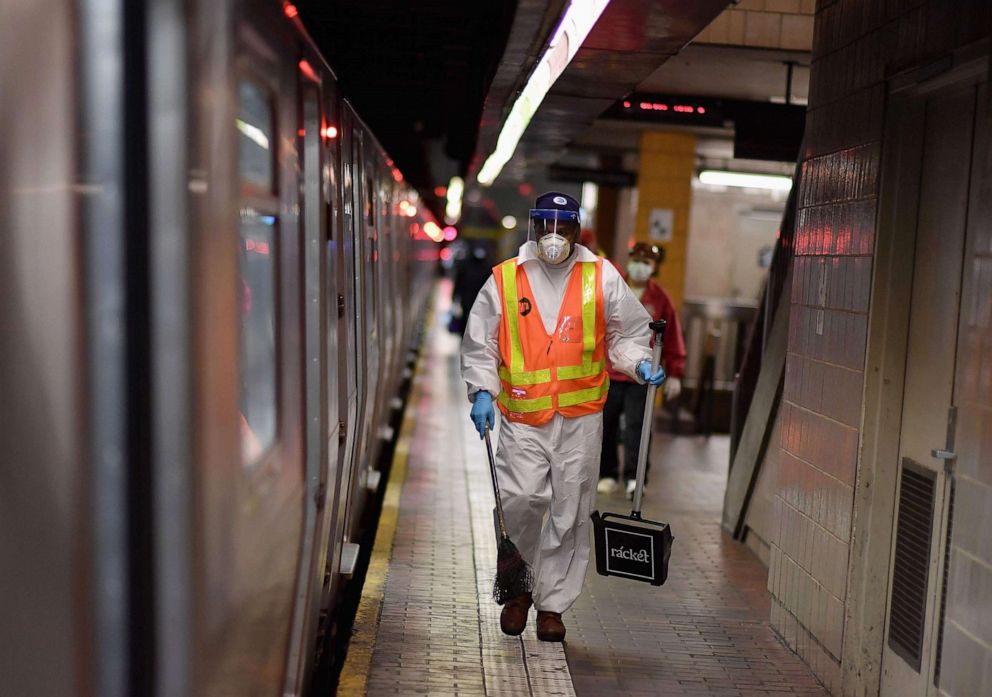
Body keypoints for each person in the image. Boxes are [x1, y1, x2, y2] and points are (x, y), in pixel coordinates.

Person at [461, 192, 665, 642]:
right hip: (522, 417)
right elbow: (482, 343)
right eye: (545, 226)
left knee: (570, 512)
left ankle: (551, 606)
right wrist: (481, 391)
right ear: (534, 228)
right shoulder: (505, 280)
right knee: (522, 502)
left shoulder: (603, 277)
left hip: (580, 418)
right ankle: (518, 590)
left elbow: (627, 333)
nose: (554, 236)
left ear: (577, 229)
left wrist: (639, 362)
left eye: (564, 226)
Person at [598, 242, 687, 498]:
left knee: (639, 425)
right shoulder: (614, 289)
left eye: (647, 263)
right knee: (606, 424)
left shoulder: (660, 299)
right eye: (636, 260)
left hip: (642, 374)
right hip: (611, 371)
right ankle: (608, 474)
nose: (640, 267)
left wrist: (676, 372)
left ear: (655, 267)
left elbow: (672, 337)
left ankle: (635, 478)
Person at [451, 246, 490, 335]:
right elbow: (459, 282)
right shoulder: (486, 266)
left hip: (476, 299)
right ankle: (465, 336)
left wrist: (454, 296)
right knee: (468, 319)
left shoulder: (486, 267)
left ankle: (468, 337)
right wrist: (454, 296)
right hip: (472, 299)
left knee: (475, 319)